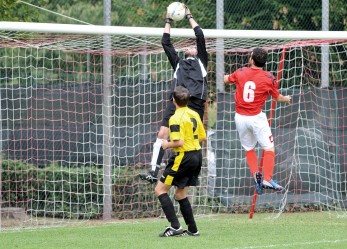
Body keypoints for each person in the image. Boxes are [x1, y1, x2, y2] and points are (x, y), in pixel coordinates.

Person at [139, 4, 208, 184]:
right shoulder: (178, 62)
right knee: (163, 133)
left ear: (197, 52)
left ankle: (191, 174)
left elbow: (199, 35)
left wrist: (189, 16)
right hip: (177, 101)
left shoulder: (202, 61)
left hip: (195, 103)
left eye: (193, 47)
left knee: (191, 139)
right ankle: (153, 171)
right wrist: (168, 20)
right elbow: (165, 42)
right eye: (189, 47)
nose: (190, 47)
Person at [224, 47, 291, 195]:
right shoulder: (269, 78)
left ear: (251, 59)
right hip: (256, 118)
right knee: (269, 148)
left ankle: (257, 176)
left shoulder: (240, 72)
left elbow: (227, 80)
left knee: (249, 149)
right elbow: (277, 97)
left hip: (240, 118)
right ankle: (267, 178)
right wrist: (286, 98)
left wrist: (225, 76)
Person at [154, 86, 206, 237]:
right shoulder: (194, 114)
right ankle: (193, 229)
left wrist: (166, 144)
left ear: (173, 101)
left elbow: (179, 142)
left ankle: (175, 227)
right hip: (197, 155)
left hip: (183, 157)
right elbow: (202, 136)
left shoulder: (175, 118)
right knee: (180, 194)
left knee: (160, 190)